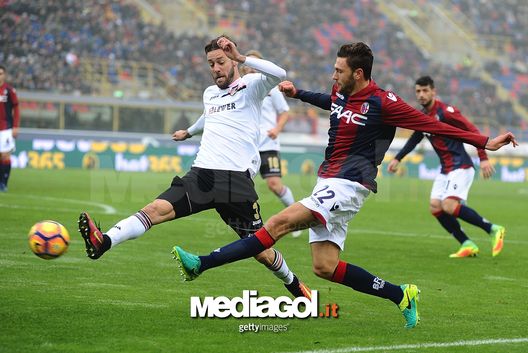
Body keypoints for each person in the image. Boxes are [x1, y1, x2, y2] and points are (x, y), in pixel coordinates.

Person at [171, 42, 517, 329]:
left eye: (338, 70)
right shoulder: (341, 91)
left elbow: (432, 125)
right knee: (325, 266)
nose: (333, 75)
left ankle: (202, 263)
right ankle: (401, 294)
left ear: (359, 73)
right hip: (329, 179)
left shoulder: (385, 103)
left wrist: (484, 142)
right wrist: (301, 95)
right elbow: (331, 101)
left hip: (351, 184)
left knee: (278, 223)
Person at [78, 36, 311, 299]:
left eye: (220, 62)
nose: (215, 69)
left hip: (236, 182)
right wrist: (188, 133)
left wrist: (241, 56)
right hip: (201, 175)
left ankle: (294, 284)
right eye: (211, 64)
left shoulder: (253, 85)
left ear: (232, 61)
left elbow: (280, 74)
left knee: (261, 250)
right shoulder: (210, 94)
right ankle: (104, 242)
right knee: (155, 210)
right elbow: (206, 118)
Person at [387, 76, 505, 258]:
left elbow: (472, 130)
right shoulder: (422, 116)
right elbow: (415, 139)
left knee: (449, 205)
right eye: (418, 91)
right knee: (435, 206)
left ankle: (493, 229)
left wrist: (483, 157)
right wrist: (398, 158)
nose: (421, 94)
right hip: (445, 169)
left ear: (433, 91)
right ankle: (467, 243)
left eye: (425, 90)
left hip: (461, 165)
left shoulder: (446, 112)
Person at [242, 50, 301, 237]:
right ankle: (248, 225)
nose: (252, 68)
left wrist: (277, 129)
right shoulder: (239, 87)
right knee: (242, 186)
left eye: (257, 64)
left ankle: (296, 218)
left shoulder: (271, 88)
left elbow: (284, 111)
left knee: (274, 184)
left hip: (267, 144)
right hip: (246, 145)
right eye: (250, 65)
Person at [0, 65, 20, 192]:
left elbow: (16, 108)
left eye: (1, 73)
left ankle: (3, 183)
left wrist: (16, 126)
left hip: (6, 128)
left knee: (5, 156)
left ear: (4, 75)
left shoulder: (9, 90)